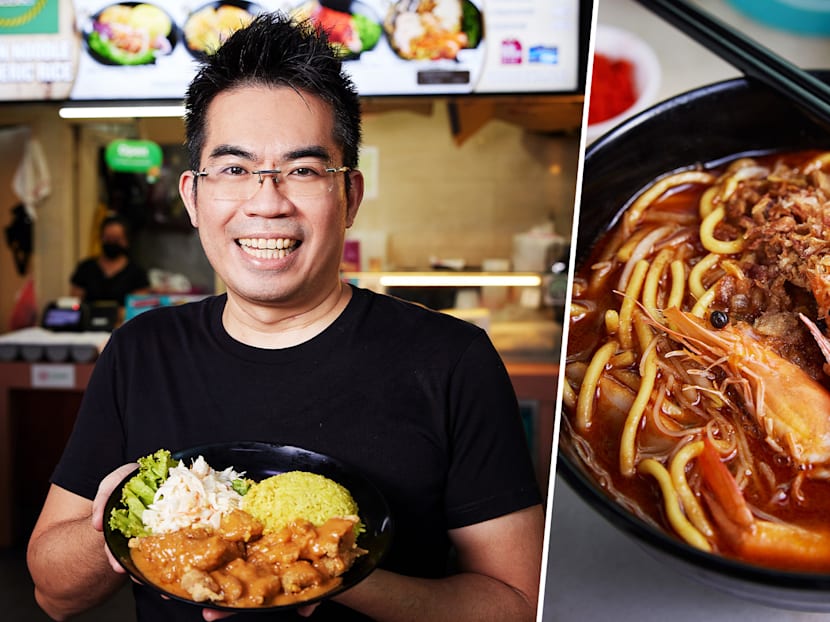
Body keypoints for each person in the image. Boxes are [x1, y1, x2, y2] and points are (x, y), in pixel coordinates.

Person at [27, 12, 544, 622]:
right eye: (235, 170)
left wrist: (321, 571)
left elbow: (517, 603)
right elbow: (52, 595)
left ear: (349, 196)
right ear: (194, 196)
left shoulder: (452, 360)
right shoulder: (141, 350)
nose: (267, 202)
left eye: (302, 170)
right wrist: (134, 515)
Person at [69, 213, 150, 307]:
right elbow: (74, 302)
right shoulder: (86, 267)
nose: (111, 243)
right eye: (108, 238)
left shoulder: (137, 273)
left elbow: (137, 308)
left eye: (116, 239)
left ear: (126, 241)